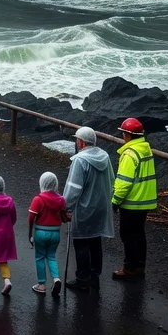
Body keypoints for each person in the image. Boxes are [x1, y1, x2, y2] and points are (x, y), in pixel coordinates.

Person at [64, 126, 115, 294]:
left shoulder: (80, 160)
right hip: (101, 206)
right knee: (95, 241)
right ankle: (95, 276)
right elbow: (112, 180)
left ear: (81, 142)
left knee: (81, 243)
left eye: (77, 139)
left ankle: (82, 279)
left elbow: (74, 188)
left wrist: (65, 208)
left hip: (85, 207)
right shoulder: (105, 156)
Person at [112, 117, 156, 281]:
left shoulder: (130, 153)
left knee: (128, 235)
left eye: (123, 133)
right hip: (145, 201)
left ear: (128, 135)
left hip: (131, 202)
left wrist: (115, 200)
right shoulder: (145, 148)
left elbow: (124, 182)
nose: (123, 135)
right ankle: (139, 267)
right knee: (139, 234)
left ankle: (129, 269)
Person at [28, 171, 68, 295]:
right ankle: (56, 278)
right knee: (51, 256)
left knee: (40, 257)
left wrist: (30, 234)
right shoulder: (61, 200)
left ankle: (41, 284)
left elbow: (31, 218)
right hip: (55, 233)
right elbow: (63, 218)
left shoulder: (38, 199)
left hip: (41, 232)